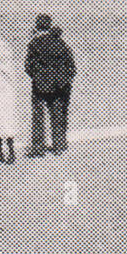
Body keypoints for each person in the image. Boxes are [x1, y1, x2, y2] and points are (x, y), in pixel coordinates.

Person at [24, 14, 75, 156]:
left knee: (38, 116)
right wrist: (64, 80)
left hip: (40, 85)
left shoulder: (34, 43)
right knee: (58, 115)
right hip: (59, 85)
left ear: (37, 26)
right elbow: (71, 65)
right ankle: (59, 145)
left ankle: (38, 148)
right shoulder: (60, 42)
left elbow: (28, 66)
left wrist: (37, 77)